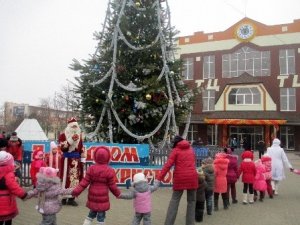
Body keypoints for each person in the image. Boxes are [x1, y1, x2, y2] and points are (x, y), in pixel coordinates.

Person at [72, 146, 121, 225]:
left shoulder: (91, 168)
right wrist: (118, 194)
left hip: (93, 196)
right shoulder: (109, 170)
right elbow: (112, 186)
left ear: (95, 156)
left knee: (91, 214)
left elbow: (84, 183)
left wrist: (76, 191)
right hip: (103, 198)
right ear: (108, 157)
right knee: (101, 217)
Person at [156, 135, 198, 225]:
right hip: (192, 178)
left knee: (174, 201)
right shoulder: (191, 149)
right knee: (192, 201)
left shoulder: (176, 151)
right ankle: (190, 223)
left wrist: (159, 178)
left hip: (180, 178)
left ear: (175, 143)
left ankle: (168, 223)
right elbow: (194, 161)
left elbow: (168, 165)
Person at [59, 117, 85, 206]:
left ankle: (71, 198)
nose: (74, 128)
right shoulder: (63, 135)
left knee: (74, 180)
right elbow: (62, 148)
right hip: (67, 160)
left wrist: (82, 157)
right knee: (65, 179)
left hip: (76, 161)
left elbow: (81, 147)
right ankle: (63, 198)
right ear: (69, 127)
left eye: (76, 126)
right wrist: (71, 140)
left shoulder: (79, 136)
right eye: (72, 126)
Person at [0, 151, 27, 225]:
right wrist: (23, 194)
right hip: (6, 201)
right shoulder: (8, 173)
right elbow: (13, 187)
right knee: (8, 220)